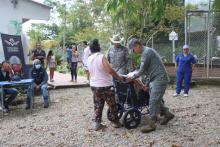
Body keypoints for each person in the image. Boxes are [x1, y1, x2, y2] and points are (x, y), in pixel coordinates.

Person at [127, 38, 174, 133]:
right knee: (155, 99)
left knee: (152, 101)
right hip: (155, 79)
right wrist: (147, 84)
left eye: (133, 49)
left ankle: (151, 124)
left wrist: (133, 76)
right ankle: (167, 114)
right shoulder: (145, 52)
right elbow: (148, 71)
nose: (133, 51)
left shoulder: (146, 52)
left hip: (159, 79)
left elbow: (142, 70)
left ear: (137, 45)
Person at [87, 39, 123, 131]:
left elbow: (89, 72)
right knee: (112, 104)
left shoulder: (89, 58)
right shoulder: (101, 57)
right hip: (105, 85)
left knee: (98, 104)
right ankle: (115, 122)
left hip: (94, 85)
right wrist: (119, 77)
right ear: (99, 47)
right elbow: (110, 70)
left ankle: (97, 123)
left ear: (91, 49)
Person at [107, 34, 131, 103]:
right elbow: (107, 60)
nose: (117, 44)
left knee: (121, 85)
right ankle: (116, 99)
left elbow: (128, 60)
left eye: (118, 42)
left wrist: (130, 71)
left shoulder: (125, 49)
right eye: (115, 42)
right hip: (113, 69)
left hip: (122, 69)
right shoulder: (110, 49)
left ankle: (122, 99)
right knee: (113, 85)